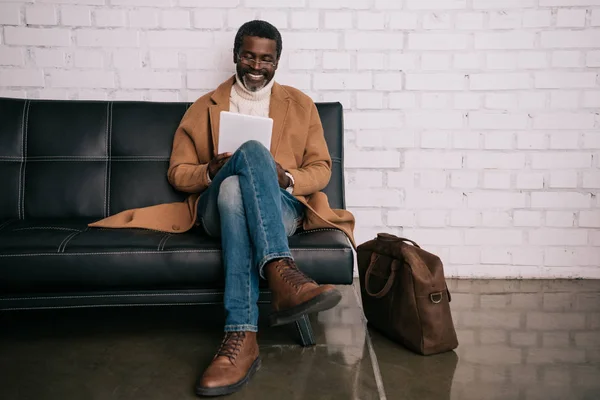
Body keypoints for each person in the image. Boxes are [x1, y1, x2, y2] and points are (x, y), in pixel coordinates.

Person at [89, 20, 355, 397]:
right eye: (249, 56)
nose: (257, 66)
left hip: (280, 208)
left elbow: (321, 169)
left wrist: (286, 179)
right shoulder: (204, 107)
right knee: (240, 165)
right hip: (212, 213)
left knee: (234, 190)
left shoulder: (301, 105)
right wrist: (209, 170)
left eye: (267, 59)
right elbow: (179, 173)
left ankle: (240, 339)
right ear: (236, 56)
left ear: (277, 62)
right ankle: (282, 274)